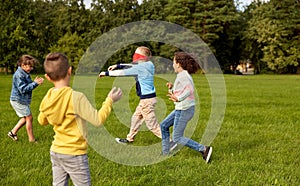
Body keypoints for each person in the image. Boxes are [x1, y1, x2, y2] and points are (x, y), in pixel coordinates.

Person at [38, 52, 122, 186]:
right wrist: (109, 101)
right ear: (70, 71)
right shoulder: (76, 97)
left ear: (47, 77)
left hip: (56, 151)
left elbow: (41, 121)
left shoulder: (47, 97)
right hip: (75, 154)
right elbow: (97, 120)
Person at [99, 46, 162, 144]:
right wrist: (118, 65)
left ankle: (170, 142)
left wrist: (106, 73)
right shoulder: (149, 64)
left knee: (152, 126)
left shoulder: (140, 68)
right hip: (147, 99)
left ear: (141, 58)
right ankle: (129, 139)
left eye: (136, 54)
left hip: (147, 101)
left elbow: (122, 73)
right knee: (136, 118)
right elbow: (131, 65)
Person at [160, 52, 212, 163]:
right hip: (181, 109)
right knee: (164, 125)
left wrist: (179, 98)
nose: (172, 64)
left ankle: (204, 149)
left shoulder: (183, 75)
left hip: (184, 110)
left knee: (177, 137)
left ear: (178, 64)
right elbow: (179, 91)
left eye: (173, 62)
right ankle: (165, 153)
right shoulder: (181, 75)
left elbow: (189, 90)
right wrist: (171, 89)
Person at [8, 55, 44, 142]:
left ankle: (13, 132)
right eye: (29, 66)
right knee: (29, 118)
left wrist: (34, 82)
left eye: (32, 66)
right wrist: (34, 83)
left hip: (21, 100)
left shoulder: (24, 73)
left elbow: (27, 86)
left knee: (25, 118)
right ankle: (31, 139)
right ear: (23, 65)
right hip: (18, 100)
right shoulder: (19, 75)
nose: (31, 68)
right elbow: (23, 89)